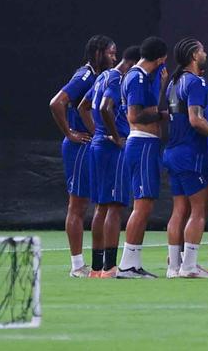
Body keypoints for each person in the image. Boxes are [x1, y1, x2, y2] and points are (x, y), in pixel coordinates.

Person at [49, 35, 113, 278]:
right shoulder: (85, 75)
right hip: (79, 147)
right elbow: (57, 102)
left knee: (96, 203)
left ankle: (97, 262)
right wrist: (70, 132)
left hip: (91, 145)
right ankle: (77, 265)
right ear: (98, 53)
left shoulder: (99, 77)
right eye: (111, 53)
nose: (114, 58)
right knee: (77, 206)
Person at [163, 38, 208, 279]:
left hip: (173, 152)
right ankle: (190, 265)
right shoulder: (196, 83)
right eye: (202, 50)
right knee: (200, 208)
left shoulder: (173, 83)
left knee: (179, 210)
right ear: (194, 56)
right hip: (191, 153)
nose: (205, 52)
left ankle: (174, 266)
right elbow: (196, 120)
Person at [117, 37, 168, 279]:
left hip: (145, 144)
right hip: (142, 144)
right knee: (142, 205)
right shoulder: (136, 77)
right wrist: (162, 114)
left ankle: (133, 264)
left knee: (144, 205)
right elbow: (134, 115)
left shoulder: (142, 77)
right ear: (160, 59)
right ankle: (127, 265)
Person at [87, 45, 138, 278]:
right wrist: (116, 137)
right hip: (111, 148)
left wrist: (97, 131)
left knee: (101, 206)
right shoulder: (118, 80)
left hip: (98, 144)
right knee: (115, 207)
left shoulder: (102, 77)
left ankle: (96, 267)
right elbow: (105, 107)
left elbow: (83, 106)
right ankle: (109, 267)